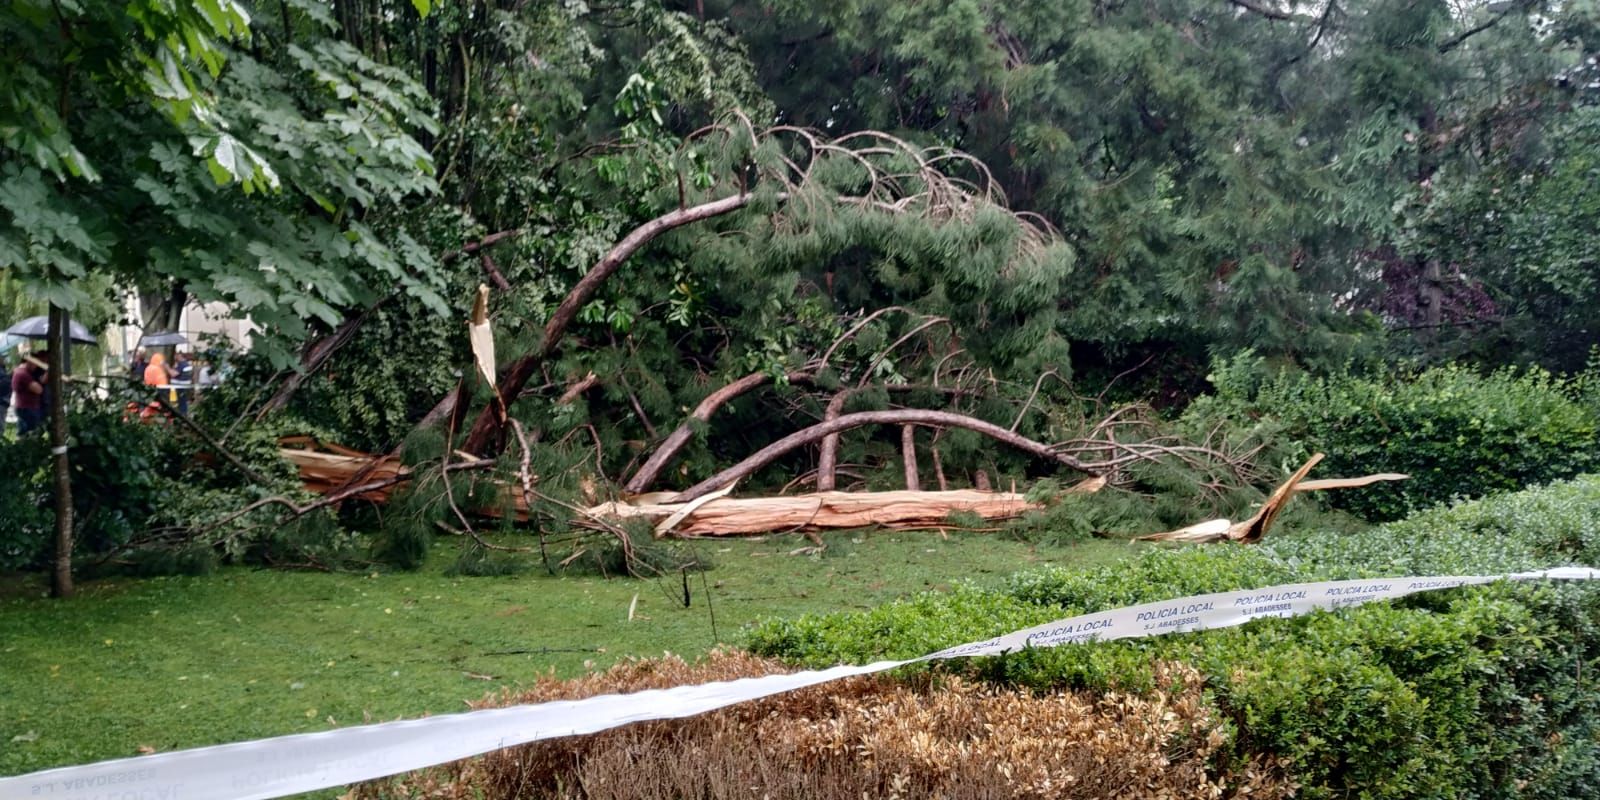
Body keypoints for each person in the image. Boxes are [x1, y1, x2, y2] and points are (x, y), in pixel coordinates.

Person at [11, 350, 47, 436]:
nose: (36, 366)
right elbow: (38, 390)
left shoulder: (21, 372)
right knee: (31, 434)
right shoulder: (23, 374)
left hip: (25, 408)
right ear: (29, 361)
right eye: (35, 363)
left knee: (24, 434)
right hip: (28, 409)